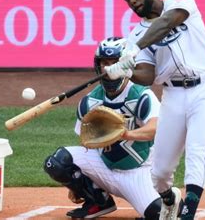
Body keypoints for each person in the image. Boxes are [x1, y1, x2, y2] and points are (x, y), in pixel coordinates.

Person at [105, 0, 205, 220]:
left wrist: (134, 49)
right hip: (173, 95)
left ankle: (187, 213)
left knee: (197, 150)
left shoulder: (180, 0)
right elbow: (148, 76)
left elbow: (167, 22)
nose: (132, 1)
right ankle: (170, 200)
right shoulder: (136, 36)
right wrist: (124, 72)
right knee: (159, 172)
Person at [43, 37, 166, 219]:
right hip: (104, 166)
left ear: (125, 65)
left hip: (137, 171)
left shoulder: (141, 95)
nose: (108, 68)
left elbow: (155, 129)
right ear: (98, 66)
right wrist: (78, 183)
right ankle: (98, 201)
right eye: (104, 63)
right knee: (57, 162)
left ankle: (162, 198)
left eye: (114, 63)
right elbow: (85, 142)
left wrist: (125, 134)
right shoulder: (91, 101)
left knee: (158, 214)